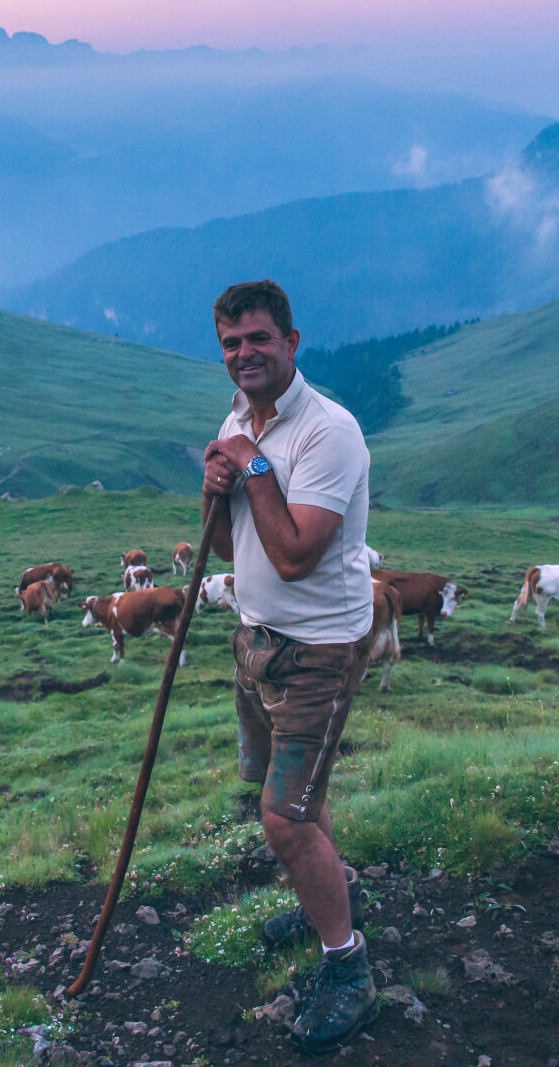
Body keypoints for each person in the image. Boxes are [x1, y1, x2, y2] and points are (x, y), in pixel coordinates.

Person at [201, 279, 377, 1054]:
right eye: (232, 343)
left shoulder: (329, 432)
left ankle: (348, 967)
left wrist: (252, 467)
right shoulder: (238, 422)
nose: (244, 355)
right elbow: (227, 547)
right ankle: (330, 901)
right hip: (257, 639)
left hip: (318, 651)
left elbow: (299, 553)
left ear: (291, 342)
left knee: (284, 816)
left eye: (259, 339)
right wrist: (213, 487)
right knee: (296, 798)